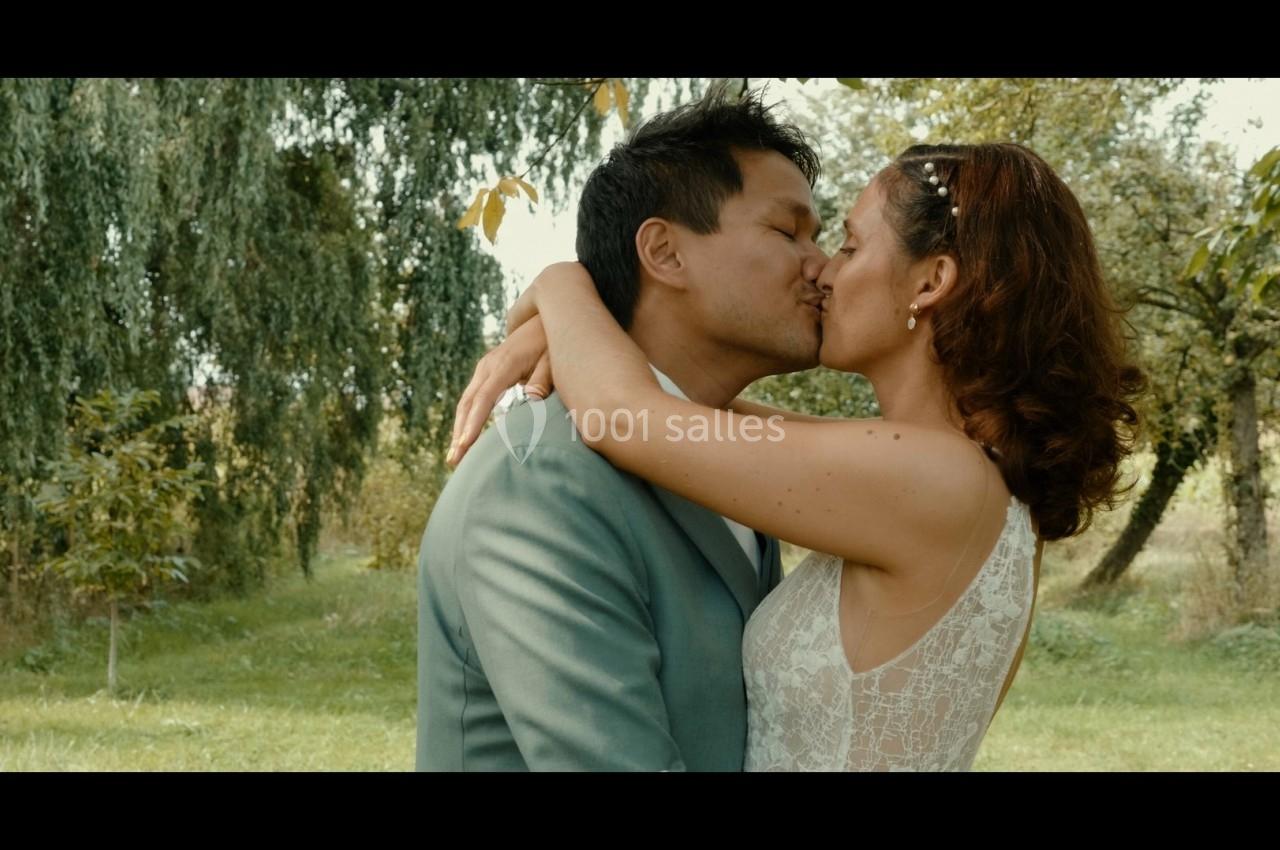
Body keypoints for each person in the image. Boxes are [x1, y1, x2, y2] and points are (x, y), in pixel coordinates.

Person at [449, 137, 1146, 770]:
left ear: (930, 283)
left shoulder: (931, 479)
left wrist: (560, 285)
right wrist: (570, 339)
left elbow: (627, 416)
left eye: (846, 245)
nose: (825, 272)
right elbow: (689, 410)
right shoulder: (957, 470)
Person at [417, 83, 828, 770]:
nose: (823, 267)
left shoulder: (730, 455)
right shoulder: (541, 484)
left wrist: (561, 291)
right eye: (788, 232)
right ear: (665, 254)